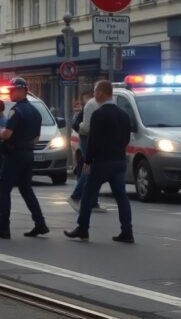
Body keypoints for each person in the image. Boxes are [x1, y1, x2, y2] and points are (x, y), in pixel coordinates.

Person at [65, 80, 134, 243]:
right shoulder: (123, 114)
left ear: (101, 93)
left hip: (102, 162)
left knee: (88, 194)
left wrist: (87, 160)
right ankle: (127, 231)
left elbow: (93, 140)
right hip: (118, 161)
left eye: (95, 92)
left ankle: (82, 229)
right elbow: (126, 138)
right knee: (121, 197)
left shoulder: (99, 114)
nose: (94, 95)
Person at [0, 78, 49, 239]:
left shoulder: (16, 111)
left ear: (23, 90)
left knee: (4, 189)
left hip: (14, 154)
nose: (10, 92)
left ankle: (4, 227)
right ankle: (40, 223)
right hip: (28, 154)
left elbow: (7, 134)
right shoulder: (35, 111)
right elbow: (36, 137)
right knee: (26, 189)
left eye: (13, 90)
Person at [68, 91, 107, 213]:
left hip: (91, 137)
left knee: (94, 169)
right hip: (88, 137)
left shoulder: (97, 103)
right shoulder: (92, 104)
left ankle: (92, 202)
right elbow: (83, 126)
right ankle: (76, 196)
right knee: (90, 167)